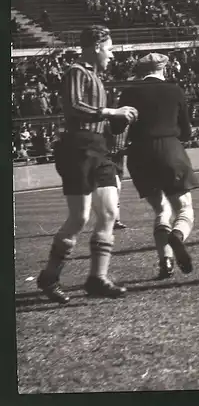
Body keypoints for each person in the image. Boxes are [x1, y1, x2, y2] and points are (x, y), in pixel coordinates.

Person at [37, 25, 138, 304]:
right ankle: (49, 277)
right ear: (96, 46)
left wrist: (120, 120)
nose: (112, 55)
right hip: (77, 148)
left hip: (99, 149)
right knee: (80, 217)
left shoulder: (96, 77)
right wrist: (110, 112)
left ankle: (97, 278)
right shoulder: (76, 72)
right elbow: (73, 106)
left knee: (107, 213)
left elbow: (100, 118)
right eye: (109, 49)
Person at [111, 53, 199, 280]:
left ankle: (166, 262)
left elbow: (115, 128)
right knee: (184, 208)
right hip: (169, 149)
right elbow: (187, 131)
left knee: (161, 210)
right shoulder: (175, 90)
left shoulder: (129, 92)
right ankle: (178, 236)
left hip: (139, 154)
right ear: (163, 68)